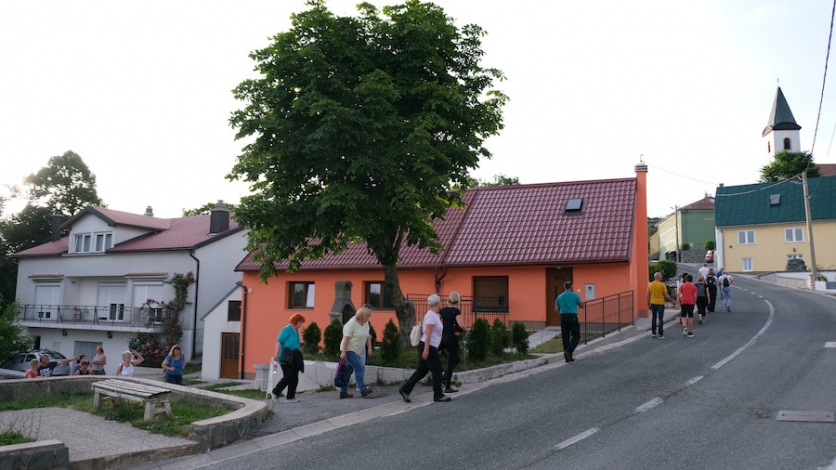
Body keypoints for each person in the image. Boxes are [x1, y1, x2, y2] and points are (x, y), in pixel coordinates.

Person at [399, 294, 449, 403]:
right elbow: (428, 334)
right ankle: (438, 395)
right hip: (429, 346)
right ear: (436, 303)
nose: (441, 304)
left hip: (428, 346)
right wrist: (426, 349)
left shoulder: (434, 315)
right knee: (437, 370)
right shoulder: (431, 316)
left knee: (422, 371)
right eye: (440, 302)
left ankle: (405, 389)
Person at [338, 306, 374, 399]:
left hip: (359, 351)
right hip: (350, 350)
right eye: (367, 316)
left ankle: (343, 392)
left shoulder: (365, 324)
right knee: (359, 367)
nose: (368, 318)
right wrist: (344, 352)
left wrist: (369, 348)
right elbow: (346, 339)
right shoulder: (352, 324)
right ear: (362, 316)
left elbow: (367, 336)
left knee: (348, 371)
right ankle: (362, 389)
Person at [271, 313, 305, 403]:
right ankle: (275, 392)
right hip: (286, 357)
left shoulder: (296, 331)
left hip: (294, 357)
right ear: (296, 322)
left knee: (294, 377)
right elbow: (279, 341)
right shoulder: (286, 330)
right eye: (300, 322)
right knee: (288, 376)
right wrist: (276, 354)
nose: (301, 325)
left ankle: (290, 397)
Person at [439, 292, 464, 393]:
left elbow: (438, 321)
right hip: (452, 338)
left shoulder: (443, 310)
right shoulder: (456, 311)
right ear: (458, 301)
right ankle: (447, 386)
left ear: (448, 300)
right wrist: (465, 330)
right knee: (451, 362)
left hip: (443, 337)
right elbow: (461, 325)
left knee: (456, 359)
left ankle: (444, 378)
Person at [555, 281, 583, 362]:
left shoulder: (559, 297)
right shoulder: (575, 295)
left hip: (563, 317)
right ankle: (569, 351)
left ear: (564, 287)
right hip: (572, 316)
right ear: (571, 287)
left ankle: (567, 356)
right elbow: (581, 305)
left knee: (565, 336)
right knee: (576, 335)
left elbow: (556, 309)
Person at [647, 272, 675, 339]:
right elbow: (666, 296)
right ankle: (660, 334)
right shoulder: (662, 285)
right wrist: (672, 301)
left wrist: (648, 303)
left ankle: (653, 333)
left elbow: (647, 295)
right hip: (660, 303)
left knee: (654, 318)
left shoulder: (650, 285)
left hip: (653, 303)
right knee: (660, 319)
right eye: (661, 276)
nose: (662, 277)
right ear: (659, 277)